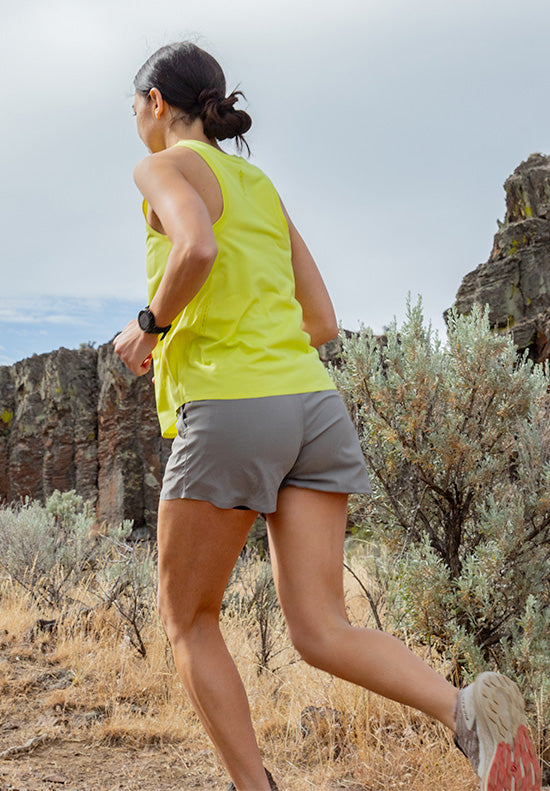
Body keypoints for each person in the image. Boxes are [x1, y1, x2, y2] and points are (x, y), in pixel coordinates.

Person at [113, 42, 542, 791]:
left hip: (232, 407)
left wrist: (149, 326)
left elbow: (197, 245)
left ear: (155, 103)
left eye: (133, 110)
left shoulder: (164, 166)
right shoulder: (259, 184)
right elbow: (321, 318)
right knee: (321, 627)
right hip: (312, 405)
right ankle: (470, 716)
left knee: (188, 618)